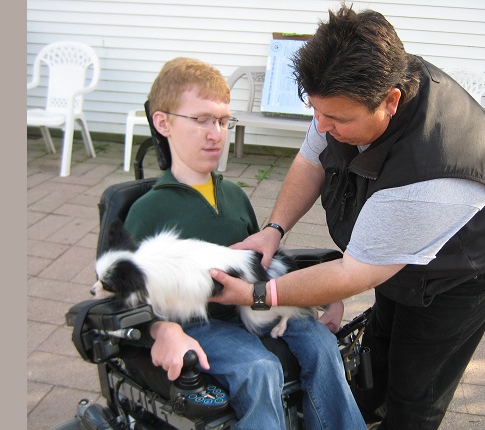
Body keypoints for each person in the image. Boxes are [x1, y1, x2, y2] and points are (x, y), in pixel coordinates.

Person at [208, 5, 485, 430]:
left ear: (391, 101)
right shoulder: (344, 92)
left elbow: (355, 272)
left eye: (336, 119)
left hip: (463, 267)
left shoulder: (433, 173)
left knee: (417, 388)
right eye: (315, 111)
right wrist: (273, 229)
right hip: (394, 247)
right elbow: (311, 161)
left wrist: (259, 295)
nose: (321, 126)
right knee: (379, 347)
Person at [125, 57, 365, 430]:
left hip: (252, 306)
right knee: (260, 367)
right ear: (163, 122)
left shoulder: (235, 196)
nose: (216, 133)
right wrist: (162, 329)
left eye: (223, 121)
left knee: (320, 342)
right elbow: (127, 293)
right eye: (202, 119)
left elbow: (264, 265)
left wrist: (322, 291)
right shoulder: (148, 212)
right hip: (198, 322)